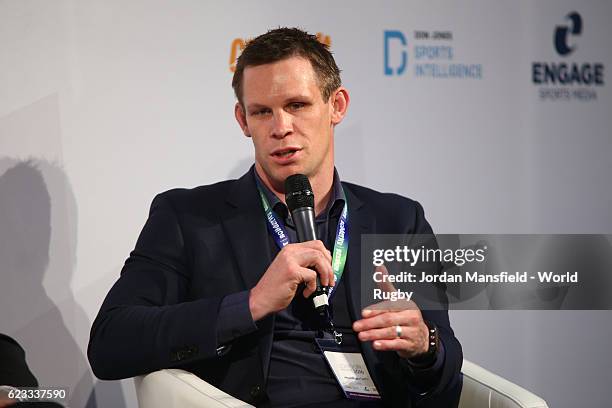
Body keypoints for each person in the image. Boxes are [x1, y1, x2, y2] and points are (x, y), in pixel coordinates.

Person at [88, 27, 462, 407]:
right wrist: (250, 304)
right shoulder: (189, 219)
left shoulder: (399, 220)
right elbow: (110, 342)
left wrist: (424, 345)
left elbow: (447, 380)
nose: (281, 128)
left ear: (337, 106)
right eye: (262, 112)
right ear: (243, 120)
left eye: (297, 105)